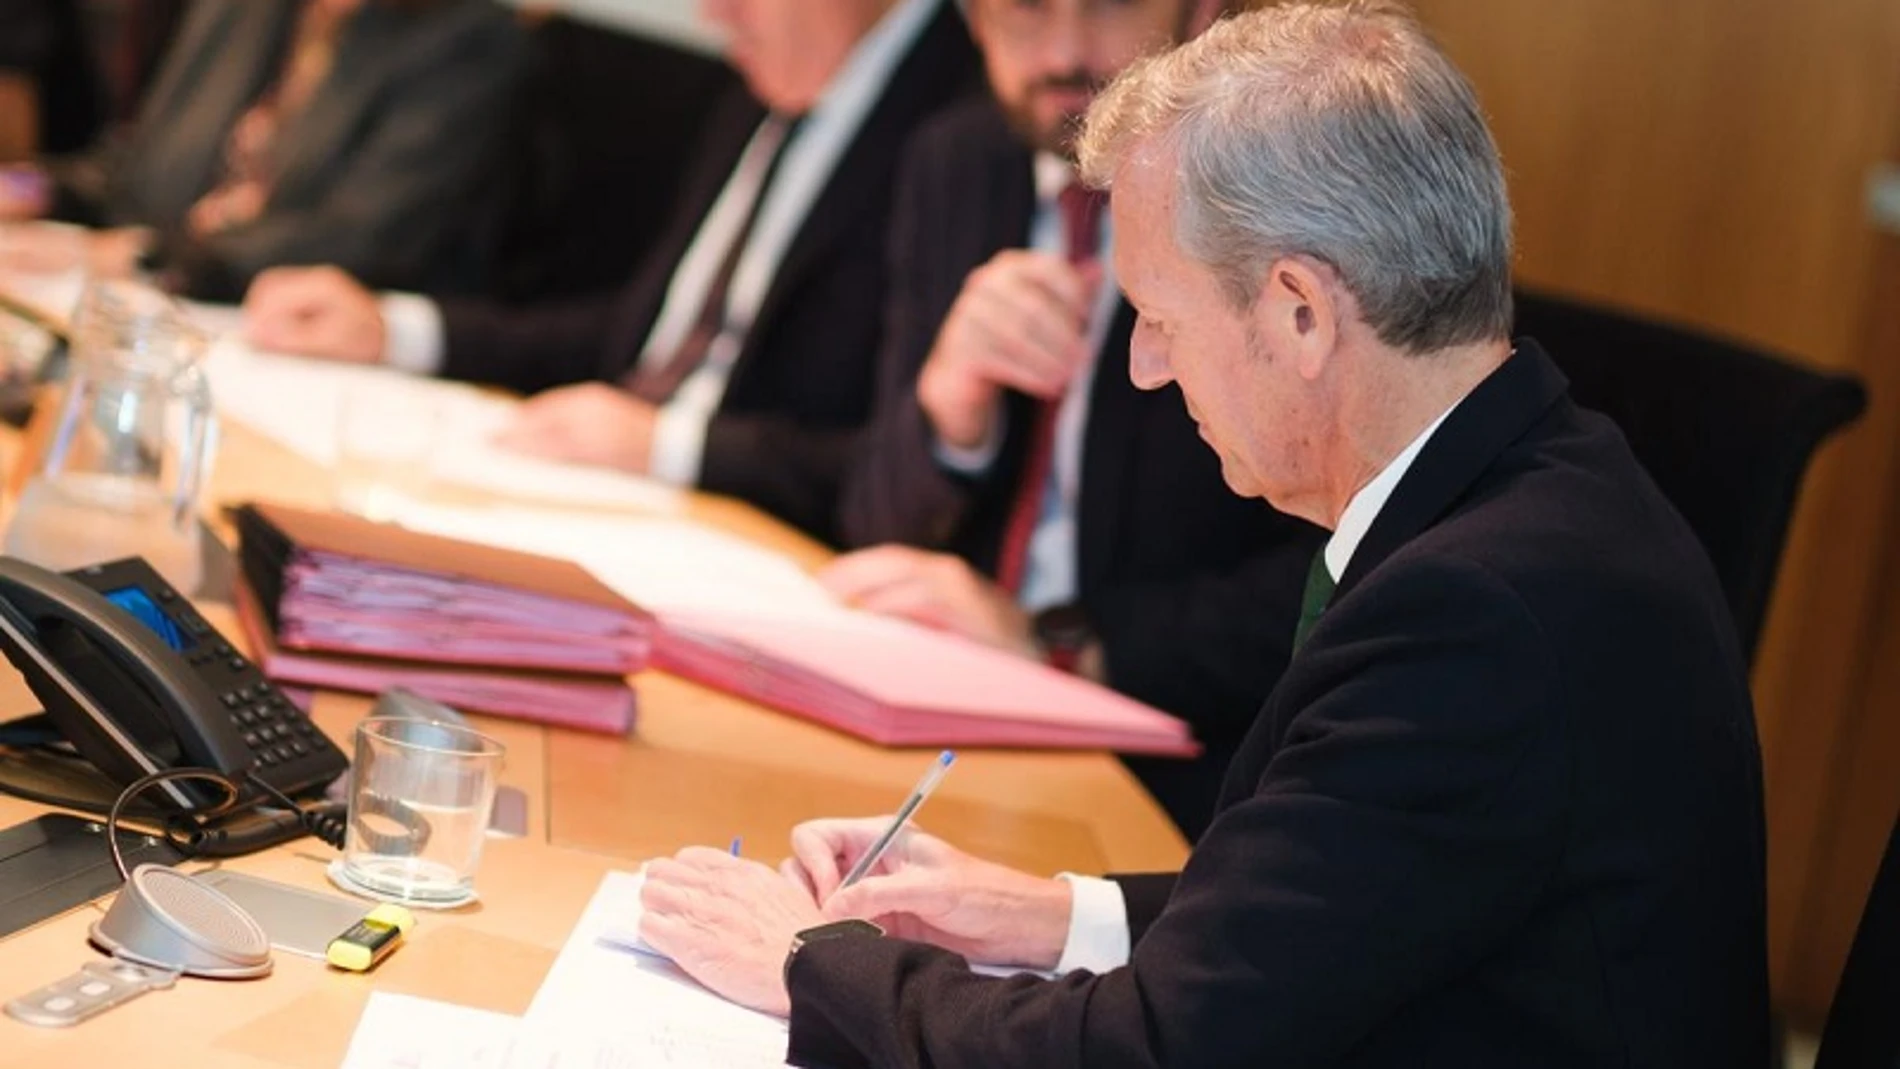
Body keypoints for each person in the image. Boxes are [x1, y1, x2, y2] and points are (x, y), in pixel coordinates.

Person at [635, 4, 1771, 1065]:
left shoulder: (1473, 614)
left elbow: (1162, 1044)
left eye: (1160, 320)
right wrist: (1052, 911)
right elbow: (1338, 891)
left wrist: (812, 969)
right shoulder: (1525, 483)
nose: (1144, 365)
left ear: (1300, 311)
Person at [824, 0, 1322, 835]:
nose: (1062, 53)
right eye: (1021, 12)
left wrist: (1058, 641)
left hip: (1179, 769)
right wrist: (950, 408)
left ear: (1201, 13)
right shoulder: (958, 162)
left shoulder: (1283, 198)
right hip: (943, 712)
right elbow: (873, 517)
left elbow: (1337, 573)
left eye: (1106, 6)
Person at [242, 0, 980, 541]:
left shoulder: (968, 130)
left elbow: (900, 458)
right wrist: (396, 329)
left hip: (750, 546)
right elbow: (643, 336)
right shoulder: (770, 87)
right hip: (621, 508)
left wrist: (669, 445)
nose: (710, 14)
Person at [0, 0, 526, 301]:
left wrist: (149, 258)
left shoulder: (471, 37)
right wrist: (30, 189)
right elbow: (139, 168)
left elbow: (364, 239)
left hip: (287, 343)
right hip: (146, 309)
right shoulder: (248, 10)